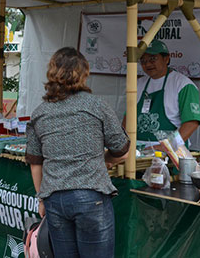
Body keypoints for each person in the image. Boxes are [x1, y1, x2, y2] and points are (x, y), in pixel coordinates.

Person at [25, 47, 130, 258]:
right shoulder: (97, 106)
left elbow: (36, 163)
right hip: (91, 196)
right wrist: (103, 159)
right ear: (84, 74)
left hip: (55, 199)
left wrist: (42, 200)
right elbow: (122, 151)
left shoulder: (39, 113)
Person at [122, 40, 200, 149]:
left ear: (166, 59)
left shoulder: (183, 85)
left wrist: (165, 147)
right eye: (143, 60)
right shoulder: (137, 84)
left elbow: (192, 123)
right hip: (139, 151)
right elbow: (128, 118)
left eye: (153, 59)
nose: (148, 64)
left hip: (171, 152)